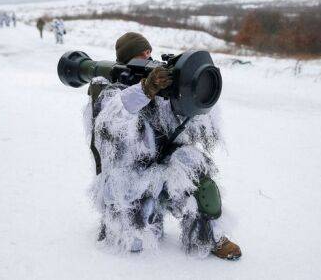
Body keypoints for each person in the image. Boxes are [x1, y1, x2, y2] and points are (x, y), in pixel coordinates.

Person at [85, 32, 242, 259]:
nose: (147, 56)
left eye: (148, 51)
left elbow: (196, 129)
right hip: (128, 179)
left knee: (200, 177)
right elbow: (111, 124)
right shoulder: (110, 91)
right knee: (136, 242)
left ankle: (211, 237)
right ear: (128, 60)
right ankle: (123, 226)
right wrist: (145, 90)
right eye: (140, 54)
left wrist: (196, 96)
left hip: (162, 167)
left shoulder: (162, 87)